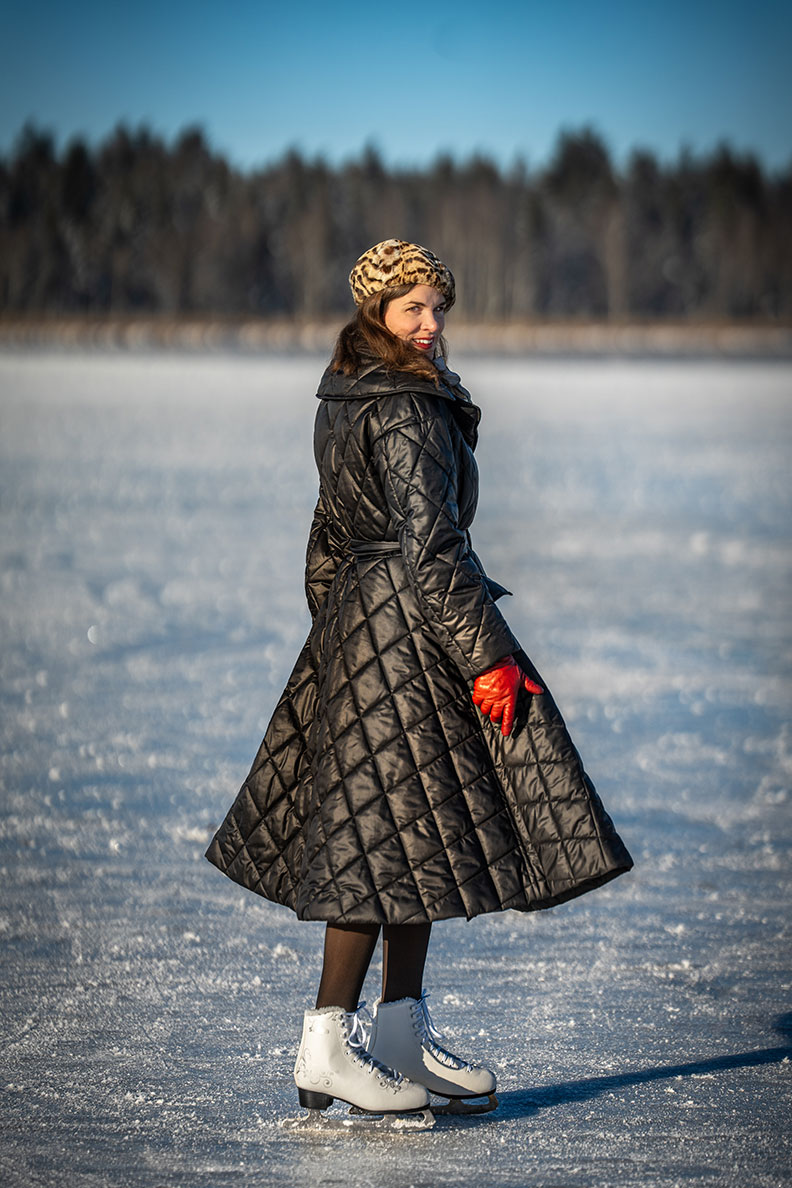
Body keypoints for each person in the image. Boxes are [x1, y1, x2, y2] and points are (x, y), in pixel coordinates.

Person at [206, 239, 633, 1120]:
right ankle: (327, 1041)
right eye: (414, 309)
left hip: (372, 629)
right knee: (372, 843)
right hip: (410, 629)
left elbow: (327, 538)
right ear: (377, 315)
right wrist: (485, 656)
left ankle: (398, 1031)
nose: (432, 324)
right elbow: (430, 544)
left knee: (412, 836)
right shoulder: (405, 405)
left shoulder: (347, 395)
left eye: (439, 306)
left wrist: (342, 633)